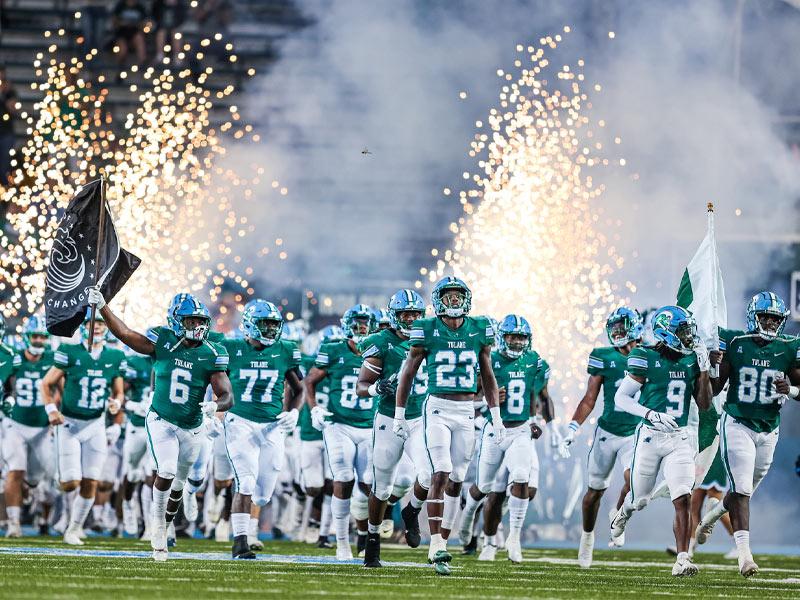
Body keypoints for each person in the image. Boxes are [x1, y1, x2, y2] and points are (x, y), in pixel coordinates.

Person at [87, 287, 233, 561]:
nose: (198, 326)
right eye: (191, 321)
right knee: (164, 470)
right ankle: (157, 528)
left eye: (201, 321)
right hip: (161, 419)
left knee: (179, 483)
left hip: (193, 425)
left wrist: (216, 405)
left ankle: (165, 526)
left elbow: (227, 394)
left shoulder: (213, 352)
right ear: (177, 320)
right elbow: (126, 335)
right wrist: (104, 306)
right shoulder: (163, 341)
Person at [395, 276, 499, 576]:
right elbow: (408, 374)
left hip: (466, 409)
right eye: (449, 296)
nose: (454, 301)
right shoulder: (426, 328)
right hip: (437, 406)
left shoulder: (479, 328)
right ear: (440, 299)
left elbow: (488, 376)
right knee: (439, 470)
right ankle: (436, 546)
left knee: (457, 478)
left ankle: (443, 538)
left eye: (458, 296)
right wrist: (400, 414)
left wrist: (496, 414)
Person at [695, 292, 800, 577]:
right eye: (765, 316)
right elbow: (714, 391)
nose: (769, 322)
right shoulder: (735, 343)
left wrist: (789, 389)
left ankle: (710, 518)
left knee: (744, 491)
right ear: (754, 316)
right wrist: (712, 363)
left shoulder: (790, 346)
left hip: (769, 429)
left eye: (774, 318)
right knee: (741, 490)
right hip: (738, 422)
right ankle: (745, 556)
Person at [609, 305, 712, 577]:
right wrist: (650, 414)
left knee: (682, 496)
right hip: (650, 437)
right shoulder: (644, 356)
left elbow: (704, 404)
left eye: (689, 331)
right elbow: (621, 398)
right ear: (666, 333)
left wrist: (703, 370)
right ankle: (623, 514)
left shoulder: (691, 360)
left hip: (679, 438)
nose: (689, 337)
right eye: (683, 331)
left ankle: (682, 559)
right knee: (639, 500)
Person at [558, 307, 644, 567]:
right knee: (594, 491)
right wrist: (574, 426)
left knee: (634, 482)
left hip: (636, 432)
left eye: (622, 326)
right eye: (614, 327)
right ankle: (587, 537)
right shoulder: (603, 357)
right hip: (607, 432)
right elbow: (590, 398)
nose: (617, 332)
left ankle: (618, 516)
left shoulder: (649, 355)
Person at [455, 314, 542, 563]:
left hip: (521, 431)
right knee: (484, 487)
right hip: (494, 430)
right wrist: (487, 400)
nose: (516, 341)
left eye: (521, 337)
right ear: (502, 338)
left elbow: (535, 395)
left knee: (521, 478)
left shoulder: (534, 360)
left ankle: (513, 538)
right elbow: (466, 399)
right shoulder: (488, 359)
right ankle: (469, 513)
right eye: (512, 336)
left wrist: (535, 421)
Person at [221, 300, 303, 559]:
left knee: (264, 494)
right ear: (249, 325)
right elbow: (211, 376)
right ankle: (240, 542)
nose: (269, 329)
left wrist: (293, 412)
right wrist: (214, 409)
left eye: (273, 324)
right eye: (264, 324)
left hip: (272, 425)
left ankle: (246, 530)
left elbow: (299, 389)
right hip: (240, 421)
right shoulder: (231, 348)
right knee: (244, 481)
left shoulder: (286, 349)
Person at [356, 289, 428, 568]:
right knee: (383, 487)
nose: (410, 319)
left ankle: (412, 511)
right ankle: (372, 540)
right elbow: (361, 387)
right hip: (388, 419)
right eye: (405, 314)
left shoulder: (430, 338)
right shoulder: (381, 343)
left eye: (415, 314)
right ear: (394, 316)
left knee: (430, 474)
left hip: (420, 418)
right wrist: (376, 388)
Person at [42, 310, 126, 546]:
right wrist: (51, 410)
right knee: (70, 482)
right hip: (69, 423)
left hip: (96, 424)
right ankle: (57, 481)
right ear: (83, 327)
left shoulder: (116, 357)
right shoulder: (69, 352)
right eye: (92, 324)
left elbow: (119, 391)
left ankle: (74, 528)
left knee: (92, 480)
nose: (96, 327)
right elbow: (47, 384)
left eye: (100, 323)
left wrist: (116, 403)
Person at [303, 304, 375, 561]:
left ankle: (365, 536)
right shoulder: (333, 349)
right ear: (348, 325)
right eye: (357, 322)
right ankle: (342, 543)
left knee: (369, 483)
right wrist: (314, 410)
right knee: (343, 478)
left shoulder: (380, 349)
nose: (362, 327)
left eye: (366, 322)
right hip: (339, 424)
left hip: (369, 426)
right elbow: (310, 380)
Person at [2, 316, 55, 538]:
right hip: (16, 424)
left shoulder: (53, 360)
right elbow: (6, 386)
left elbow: (59, 389)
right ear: (27, 337)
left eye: (43, 336)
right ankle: (14, 523)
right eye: (35, 335)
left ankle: (31, 496)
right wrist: (7, 399)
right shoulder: (14, 359)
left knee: (37, 478)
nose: (39, 340)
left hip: (42, 428)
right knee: (15, 470)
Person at [298, 325, 341, 548]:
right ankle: (313, 519)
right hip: (310, 431)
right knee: (313, 486)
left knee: (332, 483)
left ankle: (323, 530)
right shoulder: (308, 364)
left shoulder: (345, 362)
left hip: (335, 430)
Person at [111, 0, 147, 70]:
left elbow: (144, 22)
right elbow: (114, 21)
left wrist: (137, 25)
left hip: (135, 32)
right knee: (122, 50)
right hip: (121, 32)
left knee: (139, 39)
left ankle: (143, 65)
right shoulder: (120, 5)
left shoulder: (140, 7)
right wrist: (122, 23)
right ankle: (120, 68)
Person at [0, 65, 19, 184]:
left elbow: (13, 109)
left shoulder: (10, 91)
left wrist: (4, 95)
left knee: (5, 167)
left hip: (6, 133)